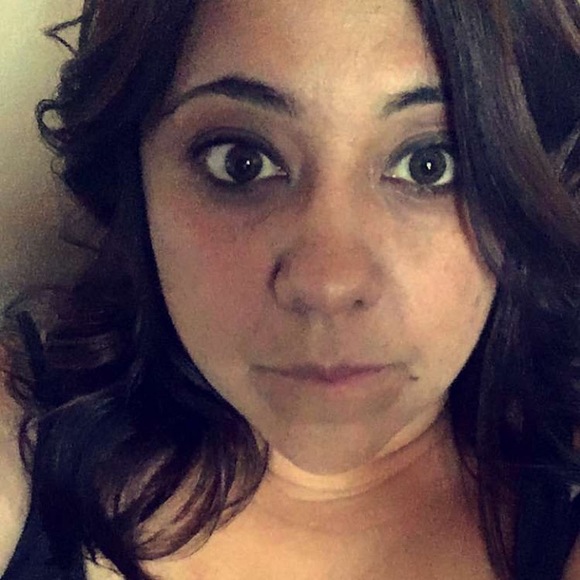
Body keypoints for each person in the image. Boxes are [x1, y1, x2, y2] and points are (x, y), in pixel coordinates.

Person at [1, 0, 579, 578]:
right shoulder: (20, 445)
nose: (328, 285)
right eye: (242, 162)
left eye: (431, 163)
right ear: (137, 177)